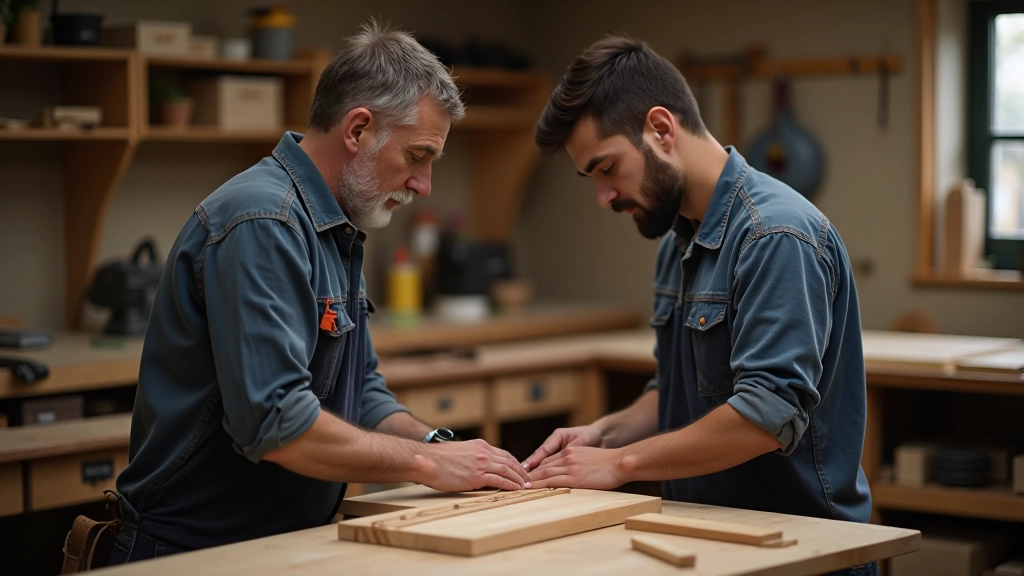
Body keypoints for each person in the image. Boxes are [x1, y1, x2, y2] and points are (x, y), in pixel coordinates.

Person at [106, 21, 530, 564]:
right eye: (418, 156)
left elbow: (363, 392)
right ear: (357, 130)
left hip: (275, 544)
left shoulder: (338, 226)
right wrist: (427, 467)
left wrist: (437, 447)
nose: (424, 185)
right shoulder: (266, 222)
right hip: (192, 553)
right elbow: (276, 424)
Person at [524, 35, 874, 576]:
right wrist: (605, 434)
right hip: (706, 544)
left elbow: (764, 416)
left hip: (799, 553)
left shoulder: (775, 235)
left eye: (607, 168)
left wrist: (619, 464)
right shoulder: (677, 242)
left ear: (661, 130)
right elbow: (677, 389)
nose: (604, 197)